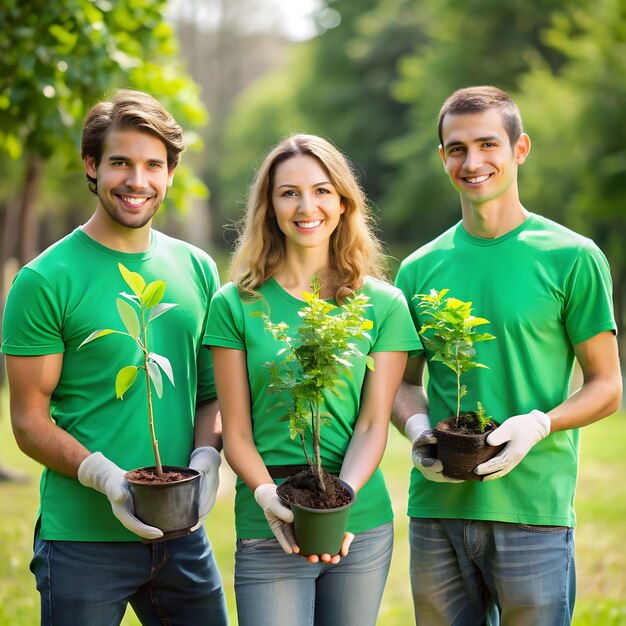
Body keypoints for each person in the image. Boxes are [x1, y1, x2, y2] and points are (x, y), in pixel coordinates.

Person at [392, 84, 622, 625]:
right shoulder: (419, 269)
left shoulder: (572, 257)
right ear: (442, 157)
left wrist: (540, 424)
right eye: (457, 148)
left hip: (533, 510)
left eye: (488, 145)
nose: (472, 162)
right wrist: (420, 430)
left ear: (520, 150)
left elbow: (608, 384)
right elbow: (401, 383)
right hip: (438, 511)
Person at [1, 89, 228, 625]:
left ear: (171, 173)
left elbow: (211, 394)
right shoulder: (44, 280)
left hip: (183, 538)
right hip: (81, 542)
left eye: (153, 165)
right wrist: (105, 477)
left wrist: (207, 460)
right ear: (91, 166)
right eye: (120, 162)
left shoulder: (197, 269)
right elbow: (29, 419)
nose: (137, 181)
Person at [205, 133, 421, 626]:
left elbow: (372, 426)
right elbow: (235, 433)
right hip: (267, 522)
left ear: (344, 203)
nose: (307, 206)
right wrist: (267, 498)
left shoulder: (383, 305)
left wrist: (335, 505)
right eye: (289, 192)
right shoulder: (235, 305)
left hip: (360, 522)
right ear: (270, 205)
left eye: (322, 191)